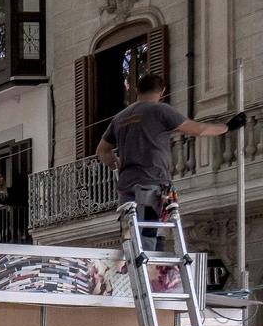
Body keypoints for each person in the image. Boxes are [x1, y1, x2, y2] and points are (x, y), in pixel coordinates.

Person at [97, 72, 243, 246]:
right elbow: (198, 130)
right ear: (162, 91)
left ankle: (136, 267)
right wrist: (226, 127)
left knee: (131, 236)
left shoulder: (120, 118)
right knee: (150, 235)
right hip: (151, 183)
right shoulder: (160, 110)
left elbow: (103, 151)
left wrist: (119, 165)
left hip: (127, 187)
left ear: (137, 90)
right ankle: (150, 268)